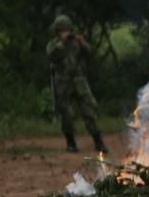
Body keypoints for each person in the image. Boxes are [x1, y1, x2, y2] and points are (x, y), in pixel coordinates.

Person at [46, 14, 108, 154]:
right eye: (62, 31)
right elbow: (52, 55)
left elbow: (90, 53)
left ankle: (99, 142)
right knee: (67, 114)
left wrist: (82, 43)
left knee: (89, 111)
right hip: (63, 83)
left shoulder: (76, 42)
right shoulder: (53, 45)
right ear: (57, 32)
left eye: (67, 30)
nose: (65, 33)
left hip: (79, 81)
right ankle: (71, 142)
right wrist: (62, 43)